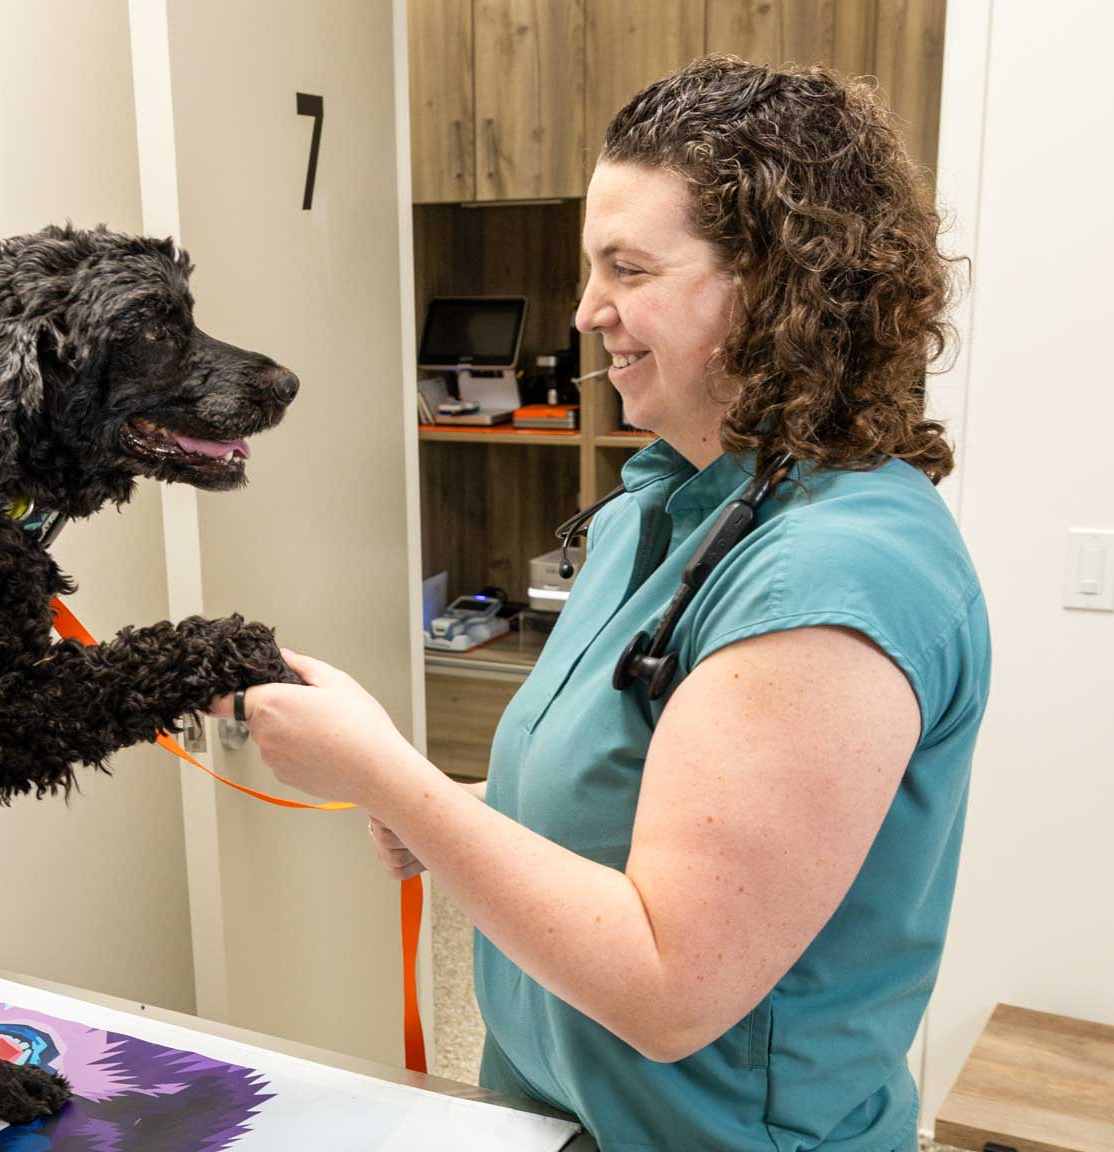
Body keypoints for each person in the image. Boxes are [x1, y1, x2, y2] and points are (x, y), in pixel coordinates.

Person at [210, 54, 989, 1152]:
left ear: (777, 287)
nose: (585, 313)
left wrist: (386, 776)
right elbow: (644, 794)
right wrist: (462, 809)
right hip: (554, 1119)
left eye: (628, 268)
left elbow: (674, 987)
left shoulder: (838, 579)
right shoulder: (657, 506)